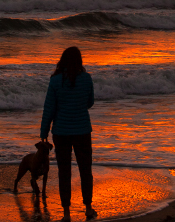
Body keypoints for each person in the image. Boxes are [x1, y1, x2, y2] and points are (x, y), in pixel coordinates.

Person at [40, 46, 97, 222]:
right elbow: (90, 102)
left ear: (62, 60)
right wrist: (77, 107)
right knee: (85, 170)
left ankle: (66, 213)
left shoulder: (55, 81)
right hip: (82, 131)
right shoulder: (86, 79)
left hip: (61, 132)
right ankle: (87, 208)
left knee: (64, 172)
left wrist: (44, 131)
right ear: (79, 61)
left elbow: (49, 107)